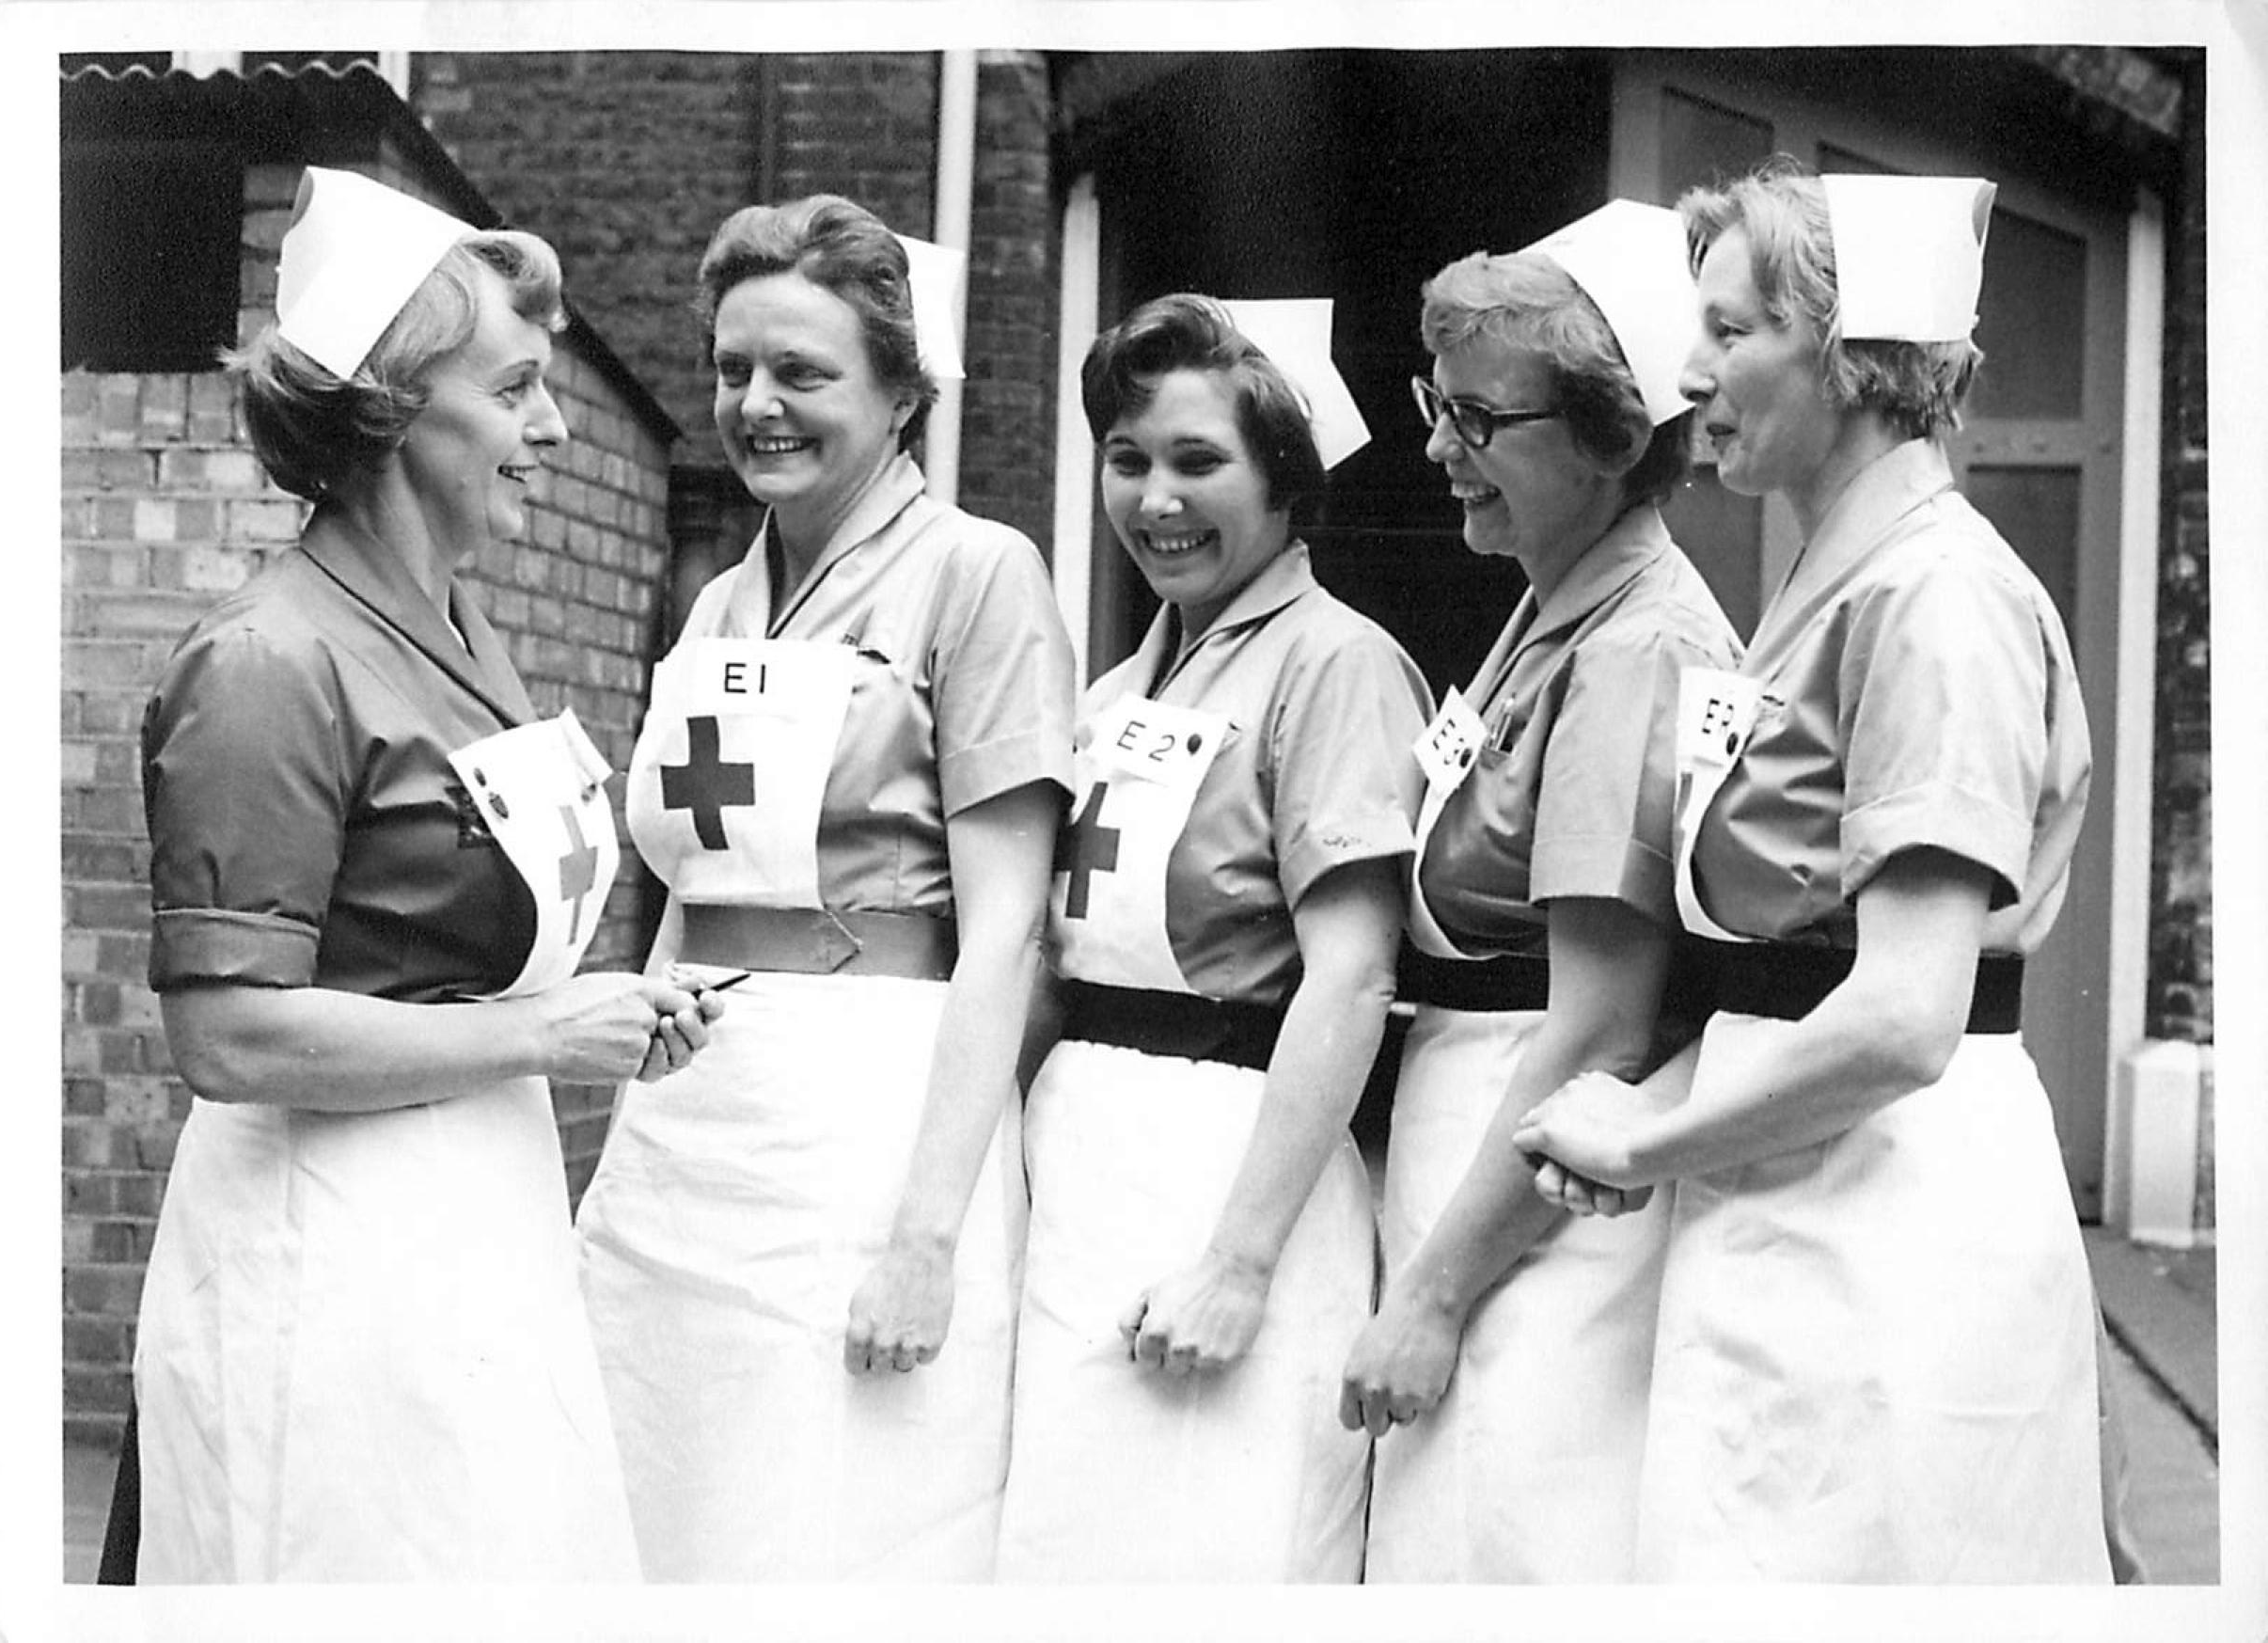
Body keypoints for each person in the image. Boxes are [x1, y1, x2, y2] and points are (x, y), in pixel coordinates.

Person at [1510, 161, 2112, 1582]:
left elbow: (1906, 1014)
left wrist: (1641, 1144)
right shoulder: (1830, 581)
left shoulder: (1935, 598)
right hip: (1798, 1202)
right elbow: (1790, 957)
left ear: (1849, 357)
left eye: (1731, 331)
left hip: (1892, 1221)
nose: (1690, 367)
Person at [132, 166, 715, 1582]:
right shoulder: (271, 661)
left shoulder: (459, 625)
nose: (557, 426)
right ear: (393, 407)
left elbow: (450, 941)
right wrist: (548, 1035)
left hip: (474, 1217)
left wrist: (611, 1009)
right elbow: (226, 1031)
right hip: (330, 1246)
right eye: (517, 390)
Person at [573, 195, 1075, 1582]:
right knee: (663, 1498)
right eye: (735, 369)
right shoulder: (719, 601)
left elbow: (1008, 934)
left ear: (906, 391)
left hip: (868, 1107)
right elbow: (686, 877)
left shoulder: (979, 576)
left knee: (838, 1519)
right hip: (695, 1113)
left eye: (803, 373)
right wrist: (630, 1134)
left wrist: (927, 1233)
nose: (756, 405)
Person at [993, 294, 1429, 1583]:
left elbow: (1352, 974)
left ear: (1286, 475)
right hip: (1086, 1155)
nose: (1157, 499)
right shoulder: (1124, 686)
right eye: (1129, 460)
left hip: (1230, 1161)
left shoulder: (1337, 665)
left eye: (1199, 462)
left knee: (1211, 1547)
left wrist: (1238, 1265)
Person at [1337, 203, 1740, 1581]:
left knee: (1515, 1548)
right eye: (1432, 406)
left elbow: (1603, 1025)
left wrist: (1435, 1297)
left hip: (1539, 1184)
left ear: (1611, 435)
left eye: (1477, 420)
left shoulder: (1636, 646)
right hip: (1485, 1141)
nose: (1439, 449)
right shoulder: (1549, 600)